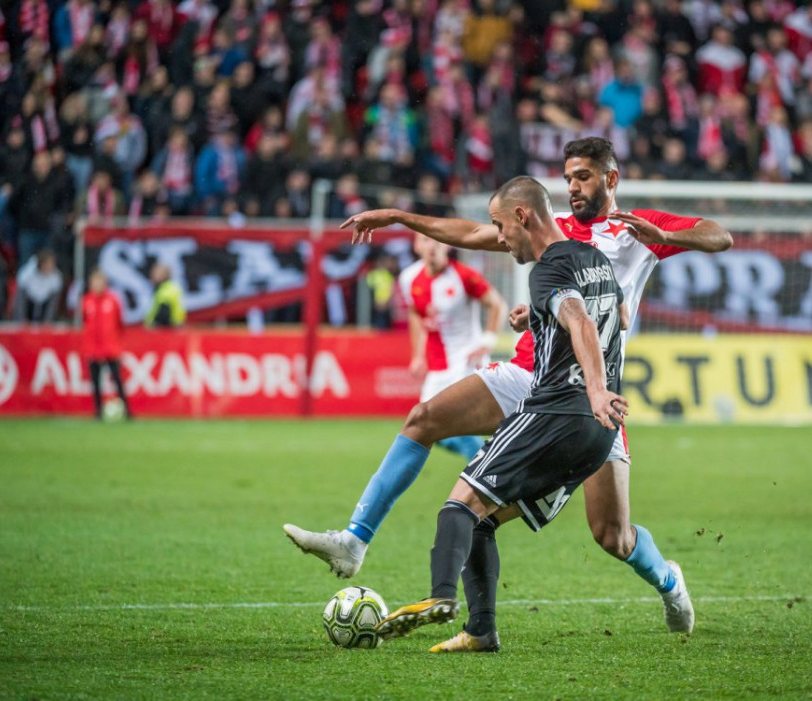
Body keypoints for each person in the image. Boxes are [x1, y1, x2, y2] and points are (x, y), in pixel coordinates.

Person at [284, 138, 732, 637]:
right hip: (528, 372)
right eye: (568, 178)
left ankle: (669, 580)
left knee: (612, 535)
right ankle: (354, 541)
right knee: (423, 418)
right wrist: (399, 217)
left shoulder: (638, 230)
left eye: (583, 177)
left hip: (587, 390)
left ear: (611, 179)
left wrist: (668, 235)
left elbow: (719, 236)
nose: (573, 187)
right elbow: (473, 233)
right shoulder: (549, 225)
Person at [374, 176, 633, 651]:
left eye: (499, 225)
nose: (499, 237)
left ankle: (440, 597)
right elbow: (619, 315)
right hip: (598, 437)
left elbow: (579, 319)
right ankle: (481, 632)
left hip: (556, 415)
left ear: (522, 216)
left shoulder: (547, 270)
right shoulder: (595, 260)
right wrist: (537, 317)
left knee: (459, 505)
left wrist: (595, 389)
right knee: (484, 520)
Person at [400, 233, 507, 460]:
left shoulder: (464, 275)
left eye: (437, 241)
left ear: (447, 246)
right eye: (426, 240)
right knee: (423, 425)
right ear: (417, 246)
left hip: (467, 360)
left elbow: (497, 304)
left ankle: (484, 466)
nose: (432, 246)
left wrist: (488, 341)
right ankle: (488, 460)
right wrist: (417, 356)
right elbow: (416, 315)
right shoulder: (408, 278)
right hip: (438, 363)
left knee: (455, 421)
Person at [82, 269, 131, 419]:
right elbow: (85, 322)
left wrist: (117, 343)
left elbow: (119, 323)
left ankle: (127, 411)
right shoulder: (86, 301)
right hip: (93, 348)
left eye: (99, 282)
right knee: (96, 382)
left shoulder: (113, 300)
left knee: (117, 379)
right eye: (94, 282)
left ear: (105, 284)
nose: (96, 285)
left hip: (111, 347)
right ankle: (98, 411)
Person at [13, 249, 63, 323]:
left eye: (52, 264)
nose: (51, 267)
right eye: (48, 264)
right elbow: (21, 291)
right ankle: (21, 320)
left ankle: (48, 321)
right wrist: (21, 318)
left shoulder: (56, 277)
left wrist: (48, 319)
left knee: (54, 298)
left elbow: (54, 301)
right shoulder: (28, 274)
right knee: (21, 296)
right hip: (29, 302)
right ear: (42, 264)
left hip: (44, 305)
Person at [144, 262, 185, 327]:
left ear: (164, 275)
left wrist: (155, 324)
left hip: (168, 328)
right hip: (173, 326)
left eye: (155, 273)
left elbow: (164, 312)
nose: (151, 275)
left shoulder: (166, 290)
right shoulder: (168, 287)